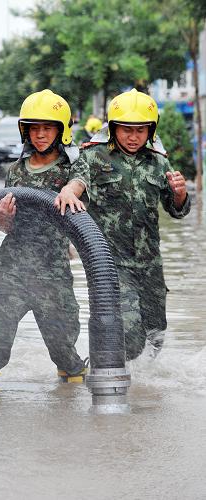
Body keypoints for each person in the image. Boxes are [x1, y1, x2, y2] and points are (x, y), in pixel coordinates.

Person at [0, 89, 90, 388]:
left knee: (66, 353)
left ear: (61, 130)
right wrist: (3, 219)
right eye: (34, 128)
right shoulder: (15, 172)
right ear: (25, 130)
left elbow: (81, 182)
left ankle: (72, 418)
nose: (40, 135)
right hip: (10, 269)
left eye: (47, 127)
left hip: (52, 271)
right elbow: (5, 228)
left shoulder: (71, 168)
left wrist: (69, 190)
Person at [80, 88, 190, 360]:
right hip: (112, 262)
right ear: (113, 128)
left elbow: (177, 212)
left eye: (141, 130)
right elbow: (76, 182)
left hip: (151, 263)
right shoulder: (94, 157)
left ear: (151, 130)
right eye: (126, 130)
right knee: (129, 332)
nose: (133, 137)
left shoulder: (158, 161)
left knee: (156, 332)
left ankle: (144, 391)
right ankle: (111, 377)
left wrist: (180, 195)